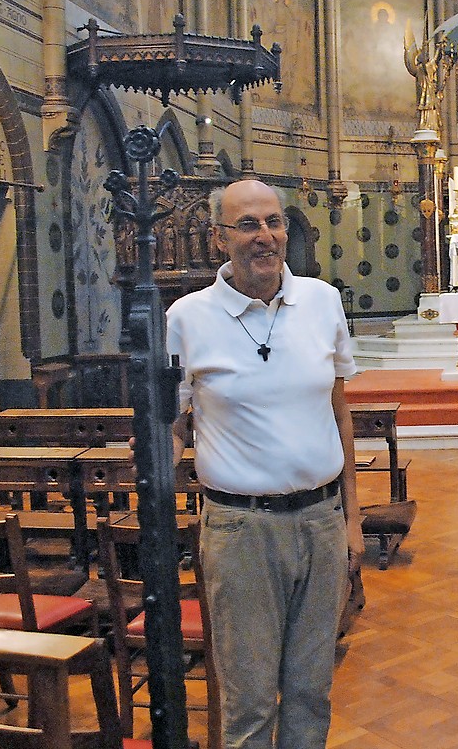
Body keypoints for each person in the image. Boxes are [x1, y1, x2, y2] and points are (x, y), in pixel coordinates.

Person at [166, 179, 363, 749]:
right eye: (248, 225)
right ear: (218, 238)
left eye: (273, 222)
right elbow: (173, 424)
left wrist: (352, 520)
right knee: (249, 701)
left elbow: (339, 413)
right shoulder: (187, 317)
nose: (265, 236)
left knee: (310, 691)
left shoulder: (323, 301)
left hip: (321, 522)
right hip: (240, 528)